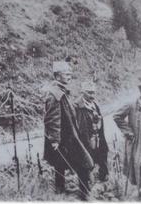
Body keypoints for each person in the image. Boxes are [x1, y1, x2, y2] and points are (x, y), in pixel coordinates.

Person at [43, 61, 94, 194]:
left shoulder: (62, 91)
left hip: (68, 136)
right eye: (66, 74)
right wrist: (55, 139)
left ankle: (64, 191)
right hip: (65, 138)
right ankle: (84, 193)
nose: (69, 76)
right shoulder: (54, 94)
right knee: (83, 162)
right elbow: (52, 119)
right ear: (57, 76)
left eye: (70, 74)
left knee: (60, 164)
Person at [74, 80, 109, 200]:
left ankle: (100, 188)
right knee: (84, 167)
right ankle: (84, 194)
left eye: (93, 92)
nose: (92, 95)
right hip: (84, 142)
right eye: (89, 92)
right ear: (82, 92)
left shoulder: (95, 105)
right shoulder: (77, 106)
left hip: (97, 139)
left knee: (101, 163)